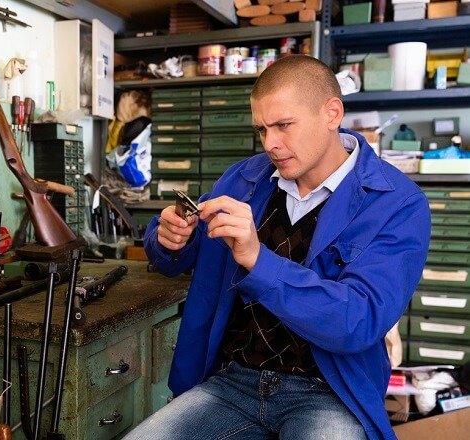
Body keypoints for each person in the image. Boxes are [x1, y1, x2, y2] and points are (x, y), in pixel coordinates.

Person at [125, 55, 431, 440]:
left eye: (284, 126)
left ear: (331, 113)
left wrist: (258, 261)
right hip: (231, 382)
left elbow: (358, 322)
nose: (271, 144)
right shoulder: (243, 179)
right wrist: (169, 237)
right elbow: (173, 259)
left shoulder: (396, 204)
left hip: (328, 393)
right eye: (262, 130)